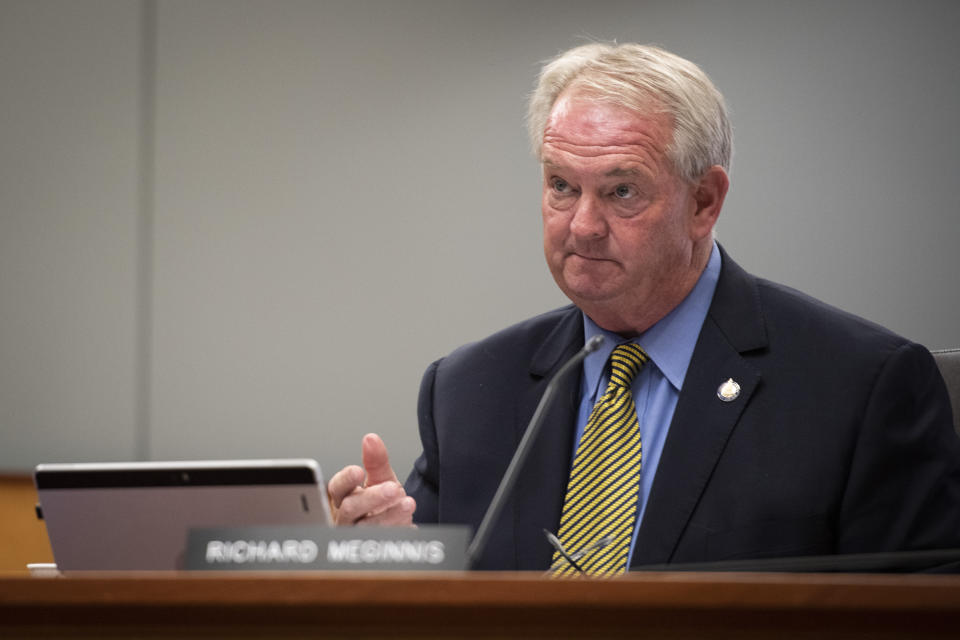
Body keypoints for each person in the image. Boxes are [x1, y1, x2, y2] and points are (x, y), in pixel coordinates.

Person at [327, 43, 960, 572]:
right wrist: (385, 560)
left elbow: (916, 617)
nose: (582, 226)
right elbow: (435, 602)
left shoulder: (862, 387)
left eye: (621, 191)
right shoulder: (467, 390)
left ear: (704, 202)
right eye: (561, 186)